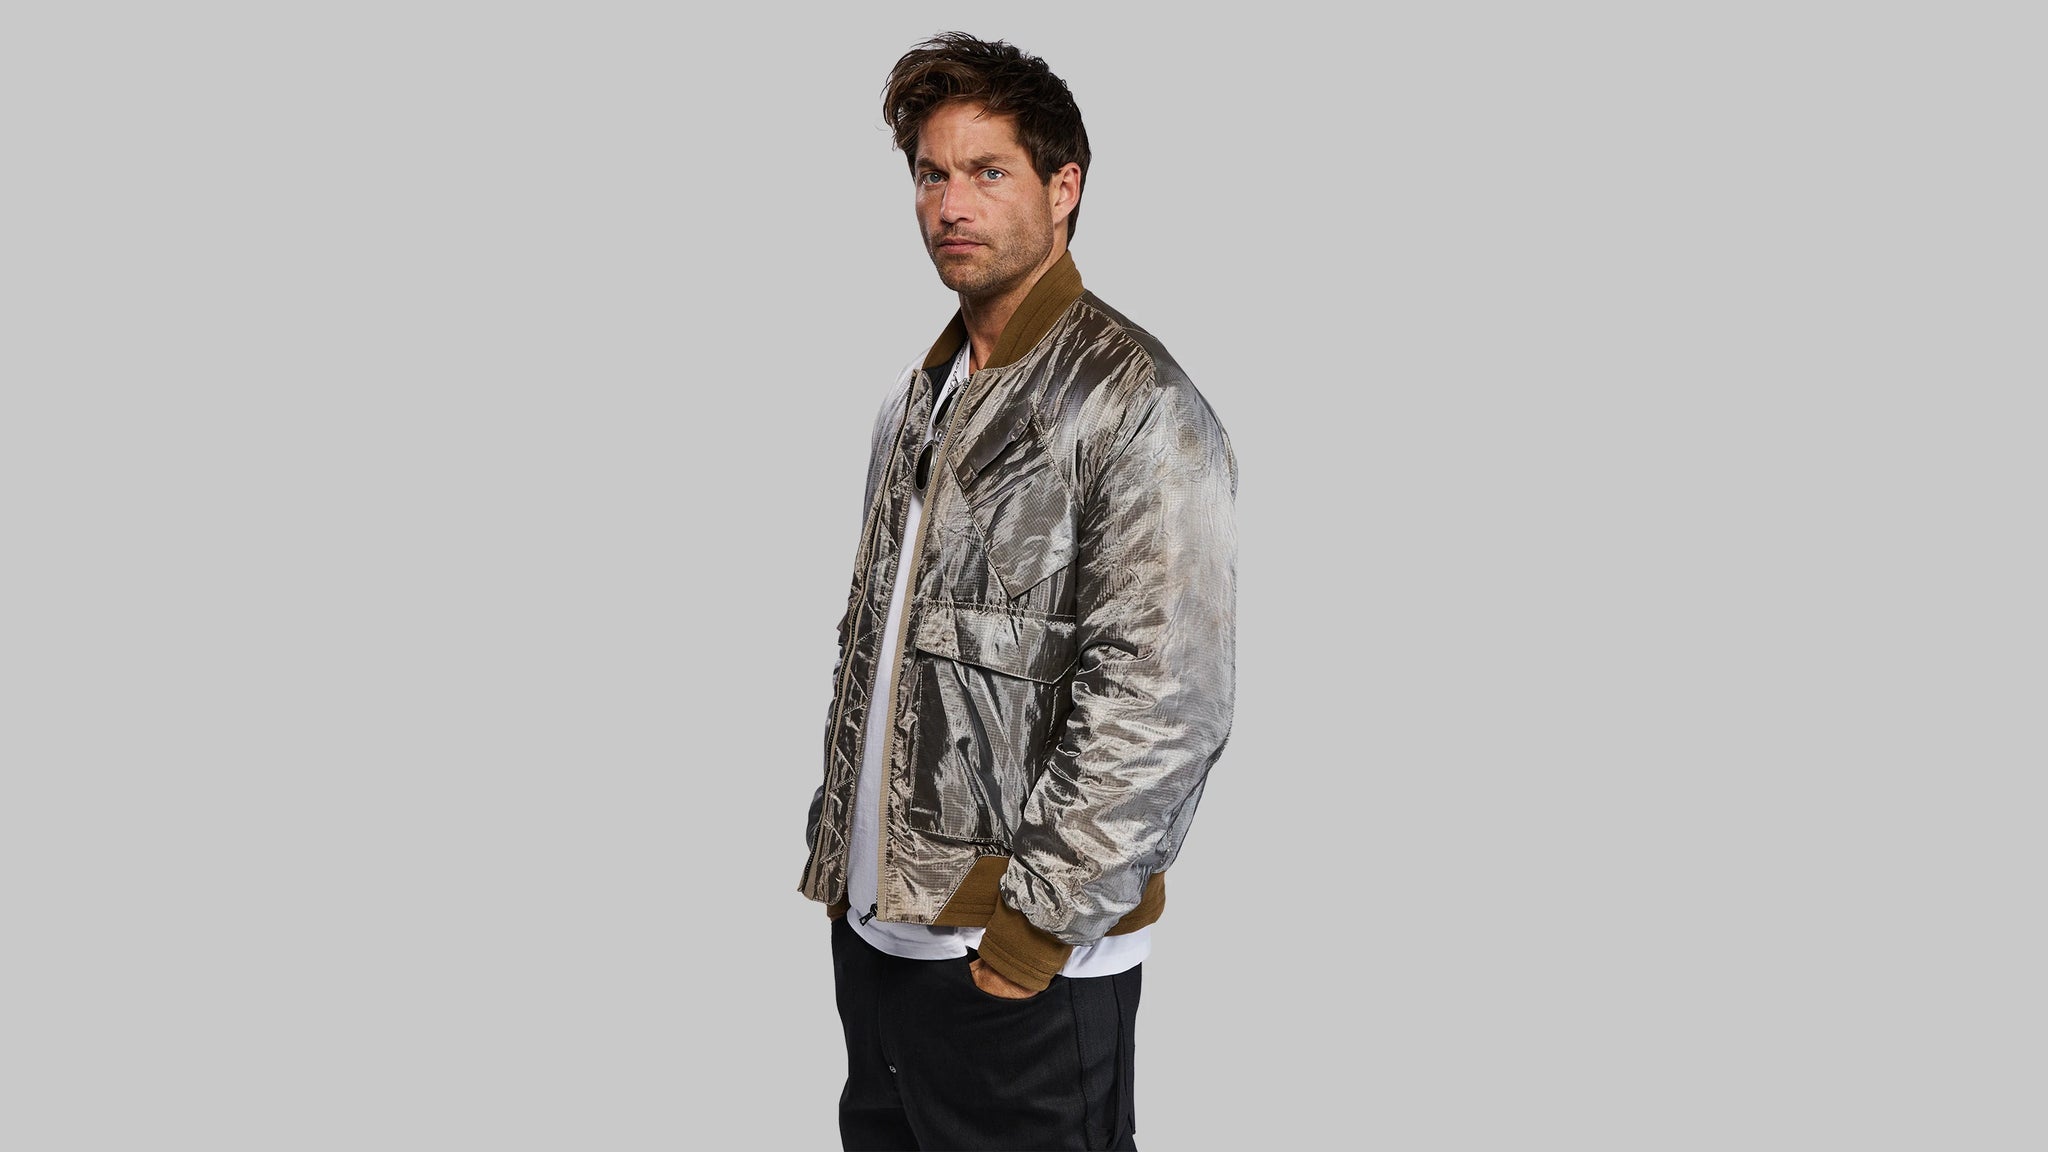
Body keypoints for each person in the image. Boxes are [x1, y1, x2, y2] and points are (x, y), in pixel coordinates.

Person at [797, 31, 1238, 1151]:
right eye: (930, 174)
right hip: (881, 945)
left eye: (988, 171)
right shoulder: (919, 400)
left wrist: (1034, 933)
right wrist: (846, 884)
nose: (950, 204)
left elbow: (1163, 702)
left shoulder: (1136, 405)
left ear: (1063, 187)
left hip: (1021, 971)